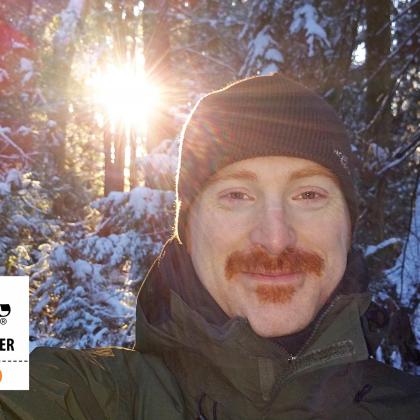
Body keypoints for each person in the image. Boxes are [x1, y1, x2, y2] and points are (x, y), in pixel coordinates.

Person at [1, 74, 419, 419]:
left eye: (308, 195)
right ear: (186, 228)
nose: (275, 238)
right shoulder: (95, 401)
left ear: (348, 224)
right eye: (236, 195)